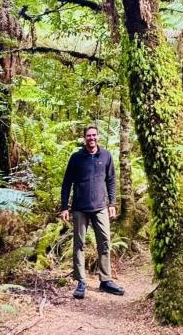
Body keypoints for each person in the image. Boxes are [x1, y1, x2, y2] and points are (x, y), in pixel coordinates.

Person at [60, 124, 125, 299]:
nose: (92, 138)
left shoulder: (106, 155)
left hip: (100, 207)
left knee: (104, 242)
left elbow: (111, 180)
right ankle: (80, 282)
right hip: (80, 208)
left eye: (94, 135)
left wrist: (112, 203)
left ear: (98, 137)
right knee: (79, 244)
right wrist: (64, 207)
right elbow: (67, 183)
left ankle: (105, 280)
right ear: (84, 138)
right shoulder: (76, 158)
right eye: (88, 135)